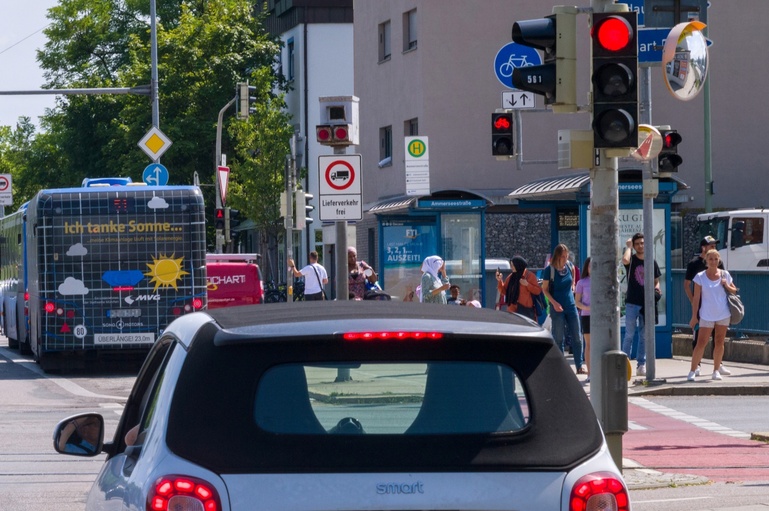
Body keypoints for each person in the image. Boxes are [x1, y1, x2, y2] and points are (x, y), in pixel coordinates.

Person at [688, 249, 738, 381]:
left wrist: (726, 284)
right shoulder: (700, 276)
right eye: (710, 259)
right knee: (701, 342)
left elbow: (734, 290)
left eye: (716, 259)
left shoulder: (724, 274)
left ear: (719, 260)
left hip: (723, 313)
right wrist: (694, 316)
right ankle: (693, 370)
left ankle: (716, 370)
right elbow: (696, 298)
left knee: (720, 342)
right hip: (706, 314)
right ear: (706, 261)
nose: (713, 262)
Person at [684, 235, 728, 377]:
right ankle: (696, 367)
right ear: (704, 248)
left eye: (715, 245)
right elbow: (687, 285)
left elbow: (728, 286)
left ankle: (717, 366)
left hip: (720, 309)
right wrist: (692, 302)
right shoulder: (694, 264)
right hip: (703, 308)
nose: (714, 247)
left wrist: (727, 285)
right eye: (711, 245)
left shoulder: (719, 266)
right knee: (700, 340)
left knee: (719, 339)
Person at [621, 233, 661, 377]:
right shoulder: (631, 260)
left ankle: (641, 365)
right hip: (632, 302)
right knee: (629, 334)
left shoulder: (651, 261)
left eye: (642, 243)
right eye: (637, 243)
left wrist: (657, 288)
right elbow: (624, 260)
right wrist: (629, 247)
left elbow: (656, 280)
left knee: (644, 336)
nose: (640, 246)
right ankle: (623, 364)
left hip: (647, 304)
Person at [542, 244, 584, 373]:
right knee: (559, 337)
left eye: (567, 256)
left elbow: (573, 280)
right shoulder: (550, 270)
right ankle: (560, 367)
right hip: (557, 307)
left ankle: (579, 365)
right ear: (557, 256)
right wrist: (554, 303)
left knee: (577, 336)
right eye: (563, 257)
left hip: (570, 306)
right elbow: (544, 289)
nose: (565, 259)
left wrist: (573, 286)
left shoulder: (570, 266)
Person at [496, 256, 541, 322]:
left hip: (525, 311)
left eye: (513, 265)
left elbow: (538, 291)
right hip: (512, 311)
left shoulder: (530, 276)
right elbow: (504, 291)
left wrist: (527, 284)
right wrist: (499, 281)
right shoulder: (511, 277)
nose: (511, 268)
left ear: (518, 265)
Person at [575, 257, 592, 382]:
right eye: (591, 266)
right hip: (587, 316)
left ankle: (600, 372)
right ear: (587, 267)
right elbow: (577, 302)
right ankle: (590, 373)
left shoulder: (603, 281)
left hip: (601, 318)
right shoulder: (581, 283)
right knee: (589, 345)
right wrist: (587, 307)